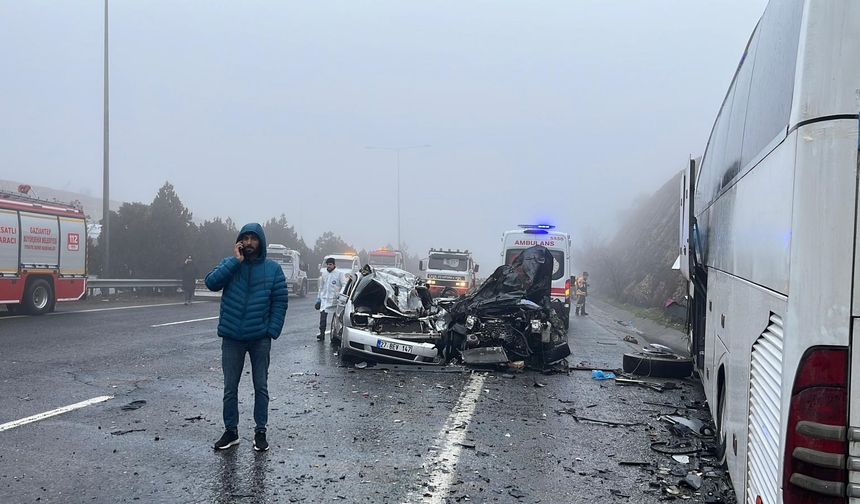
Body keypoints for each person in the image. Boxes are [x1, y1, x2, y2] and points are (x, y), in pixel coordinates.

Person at [205, 223, 288, 452]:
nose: (249, 243)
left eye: (254, 238)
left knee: (260, 386)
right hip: (232, 337)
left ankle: (260, 432)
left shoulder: (273, 270)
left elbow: (280, 301)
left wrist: (272, 330)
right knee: (230, 388)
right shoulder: (231, 264)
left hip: (260, 338)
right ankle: (231, 432)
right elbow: (211, 283)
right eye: (246, 238)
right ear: (239, 242)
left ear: (261, 241)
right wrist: (235, 262)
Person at [316, 257, 345, 341]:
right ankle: (322, 333)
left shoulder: (339, 274)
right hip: (325, 299)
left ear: (334, 265)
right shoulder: (324, 274)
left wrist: (340, 294)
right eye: (327, 264)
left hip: (335, 300)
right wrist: (318, 298)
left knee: (336, 318)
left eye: (330, 264)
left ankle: (336, 334)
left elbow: (344, 284)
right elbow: (321, 287)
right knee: (322, 317)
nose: (329, 266)